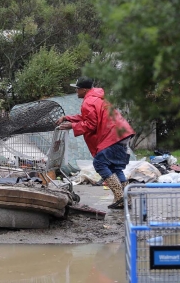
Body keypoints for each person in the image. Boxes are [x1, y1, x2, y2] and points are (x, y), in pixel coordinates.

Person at [56, 76, 135, 209]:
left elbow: (91, 124)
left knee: (99, 163)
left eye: (78, 89)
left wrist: (72, 126)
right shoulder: (97, 98)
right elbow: (86, 117)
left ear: (85, 89)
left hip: (112, 135)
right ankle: (127, 198)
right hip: (122, 133)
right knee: (115, 168)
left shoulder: (88, 102)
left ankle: (121, 198)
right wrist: (68, 118)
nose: (76, 91)